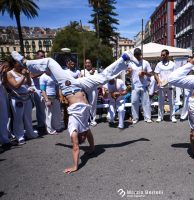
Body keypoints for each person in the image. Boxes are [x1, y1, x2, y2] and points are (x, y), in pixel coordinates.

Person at [10, 50, 138, 173]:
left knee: (49, 61)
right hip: (79, 84)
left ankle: (24, 61)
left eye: (82, 137)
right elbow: (90, 138)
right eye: (84, 137)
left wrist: (75, 166)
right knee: (103, 78)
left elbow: (75, 148)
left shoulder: (73, 129)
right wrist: (92, 148)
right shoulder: (85, 127)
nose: (85, 136)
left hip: (68, 86)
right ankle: (124, 58)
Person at [6, 57, 39, 145]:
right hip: (17, 99)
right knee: (18, 119)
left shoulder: (22, 71)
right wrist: (24, 76)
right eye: (18, 62)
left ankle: (30, 133)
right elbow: (16, 85)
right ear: (14, 63)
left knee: (28, 117)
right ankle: (19, 136)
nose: (21, 63)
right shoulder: (9, 73)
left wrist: (27, 76)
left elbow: (28, 83)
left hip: (27, 97)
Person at [127, 48, 153, 124]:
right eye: (136, 54)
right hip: (135, 85)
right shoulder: (131, 63)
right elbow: (128, 75)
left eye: (138, 54)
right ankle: (135, 118)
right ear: (134, 55)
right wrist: (129, 72)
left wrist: (144, 73)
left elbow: (150, 74)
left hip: (144, 85)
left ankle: (147, 117)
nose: (137, 56)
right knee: (134, 102)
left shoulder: (145, 63)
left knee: (146, 102)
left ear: (141, 54)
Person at [154, 49, 177, 123]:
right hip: (162, 85)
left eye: (163, 55)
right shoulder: (159, 64)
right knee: (161, 102)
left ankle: (172, 116)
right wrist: (158, 81)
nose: (162, 56)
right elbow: (156, 74)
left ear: (167, 55)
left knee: (172, 102)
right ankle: (160, 117)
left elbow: (175, 74)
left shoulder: (172, 64)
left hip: (170, 85)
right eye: (161, 55)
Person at [30, 50, 46, 130]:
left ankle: (45, 122)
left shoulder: (43, 65)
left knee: (45, 106)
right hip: (36, 88)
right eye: (41, 56)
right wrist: (43, 72)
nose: (43, 57)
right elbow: (32, 75)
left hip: (43, 87)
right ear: (37, 56)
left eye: (44, 56)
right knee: (39, 107)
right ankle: (41, 124)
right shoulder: (32, 64)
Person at [80, 59, 99, 126]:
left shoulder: (95, 71)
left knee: (93, 105)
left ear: (91, 63)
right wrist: (89, 74)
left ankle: (92, 120)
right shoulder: (82, 71)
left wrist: (91, 73)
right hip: (85, 90)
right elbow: (83, 80)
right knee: (85, 105)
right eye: (86, 63)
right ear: (85, 64)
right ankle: (86, 119)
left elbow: (95, 80)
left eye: (89, 63)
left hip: (93, 90)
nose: (88, 64)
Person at [0, 60, 12, 149]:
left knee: (4, 117)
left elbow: (4, 83)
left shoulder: (3, 73)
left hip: (2, 94)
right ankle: (4, 139)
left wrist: (3, 74)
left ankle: (5, 139)